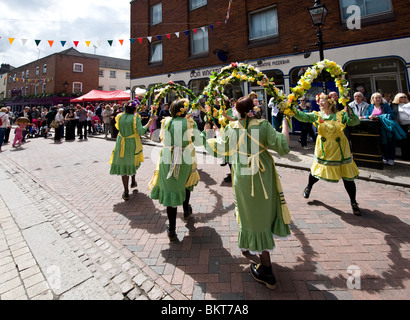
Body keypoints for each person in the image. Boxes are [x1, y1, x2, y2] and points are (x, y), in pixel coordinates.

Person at [202, 96, 291, 289]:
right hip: (262, 172)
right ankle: (253, 247)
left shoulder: (232, 128)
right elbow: (282, 147)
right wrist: (285, 124)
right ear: (253, 109)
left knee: (249, 211)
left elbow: (220, 149)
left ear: (238, 111)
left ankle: (266, 268)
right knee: (261, 209)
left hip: (242, 173)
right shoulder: (264, 125)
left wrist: (208, 134)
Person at [293, 93, 362, 216]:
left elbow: (354, 122)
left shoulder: (341, 114)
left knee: (347, 177)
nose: (319, 102)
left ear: (330, 102)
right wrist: (290, 108)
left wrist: (349, 109)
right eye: (318, 101)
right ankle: (309, 186)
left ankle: (353, 202)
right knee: (317, 172)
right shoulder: (317, 115)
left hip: (340, 148)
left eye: (322, 100)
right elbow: (302, 116)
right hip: (324, 148)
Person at [149, 99, 201, 242]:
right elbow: (198, 141)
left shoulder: (165, 122)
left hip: (167, 157)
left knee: (172, 188)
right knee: (186, 183)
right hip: (185, 157)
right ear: (184, 110)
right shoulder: (190, 123)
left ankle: (171, 229)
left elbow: (161, 138)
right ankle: (186, 210)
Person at [110, 101, 153, 201]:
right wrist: (148, 124)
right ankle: (133, 180)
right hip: (132, 142)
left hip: (121, 142)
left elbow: (117, 127)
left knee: (124, 165)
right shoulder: (135, 117)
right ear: (134, 109)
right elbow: (140, 131)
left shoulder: (119, 116)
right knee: (133, 161)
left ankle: (126, 191)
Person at [365, 92, 406, 166]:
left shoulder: (385, 106)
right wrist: (369, 117)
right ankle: (384, 157)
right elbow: (367, 115)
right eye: (376, 98)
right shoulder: (370, 107)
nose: (378, 99)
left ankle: (391, 158)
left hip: (387, 127)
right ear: (373, 99)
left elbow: (392, 115)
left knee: (390, 143)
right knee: (382, 144)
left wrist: (380, 116)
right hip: (376, 128)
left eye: (379, 98)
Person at [390, 93, 410, 161]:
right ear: (397, 98)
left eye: (405, 97)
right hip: (400, 125)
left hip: (408, 125)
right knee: (403, 142)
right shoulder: (394, 105)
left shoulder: (408, 105)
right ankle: (405, 156)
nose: (404, 98)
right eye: (402, 97)